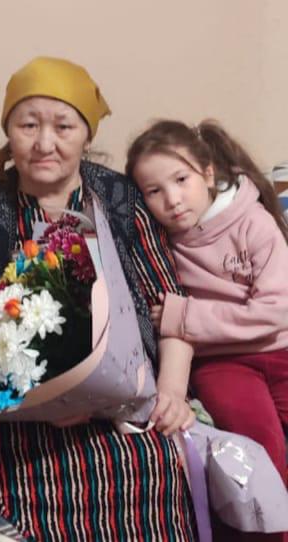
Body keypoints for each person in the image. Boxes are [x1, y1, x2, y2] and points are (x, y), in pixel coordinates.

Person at [0, 57, 197, 541]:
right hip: (19, 416)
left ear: (86, 135)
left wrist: (172, 392)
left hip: (125, 404)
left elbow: (171, 305)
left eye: (63, 127)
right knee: (25, 483)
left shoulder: (119, 198)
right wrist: (44, 400)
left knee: (152, 469)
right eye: (28, 125)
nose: (45, 143)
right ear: (8, 131)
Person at [127, 119, 288, 542]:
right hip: (223, 364)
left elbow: (277, 311)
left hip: (281, 349)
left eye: (181, 180)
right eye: (154, 191)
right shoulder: (158, 244)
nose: (173, 200)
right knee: (258, 449)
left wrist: (186, 316)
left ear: (209, 175)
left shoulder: (253, 222)